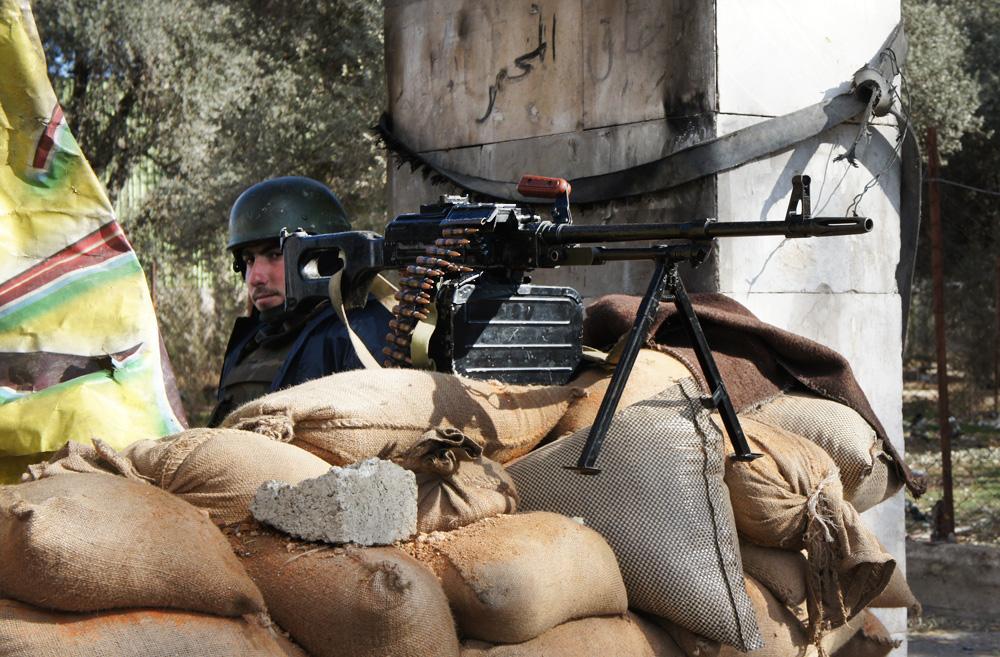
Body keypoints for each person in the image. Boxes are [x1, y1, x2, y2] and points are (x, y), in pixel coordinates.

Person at [208, 176, 391, 426]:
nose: (255, 278)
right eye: (249, 260)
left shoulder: (360, 330)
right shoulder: (254, 338)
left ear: (323, 253)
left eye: (274, 254)